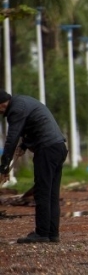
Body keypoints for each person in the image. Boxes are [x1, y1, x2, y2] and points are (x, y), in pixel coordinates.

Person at [0, 91, 69, 243]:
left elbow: (12, 138)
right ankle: (52, 233)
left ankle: (42, 233)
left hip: (47, 150)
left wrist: (4, 166)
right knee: (51, 193)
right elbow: (34, 125)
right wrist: (24, 145)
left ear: (2, 104)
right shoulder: (23, 102)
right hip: (58, 148)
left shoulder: (15, 110)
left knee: (42, 192)